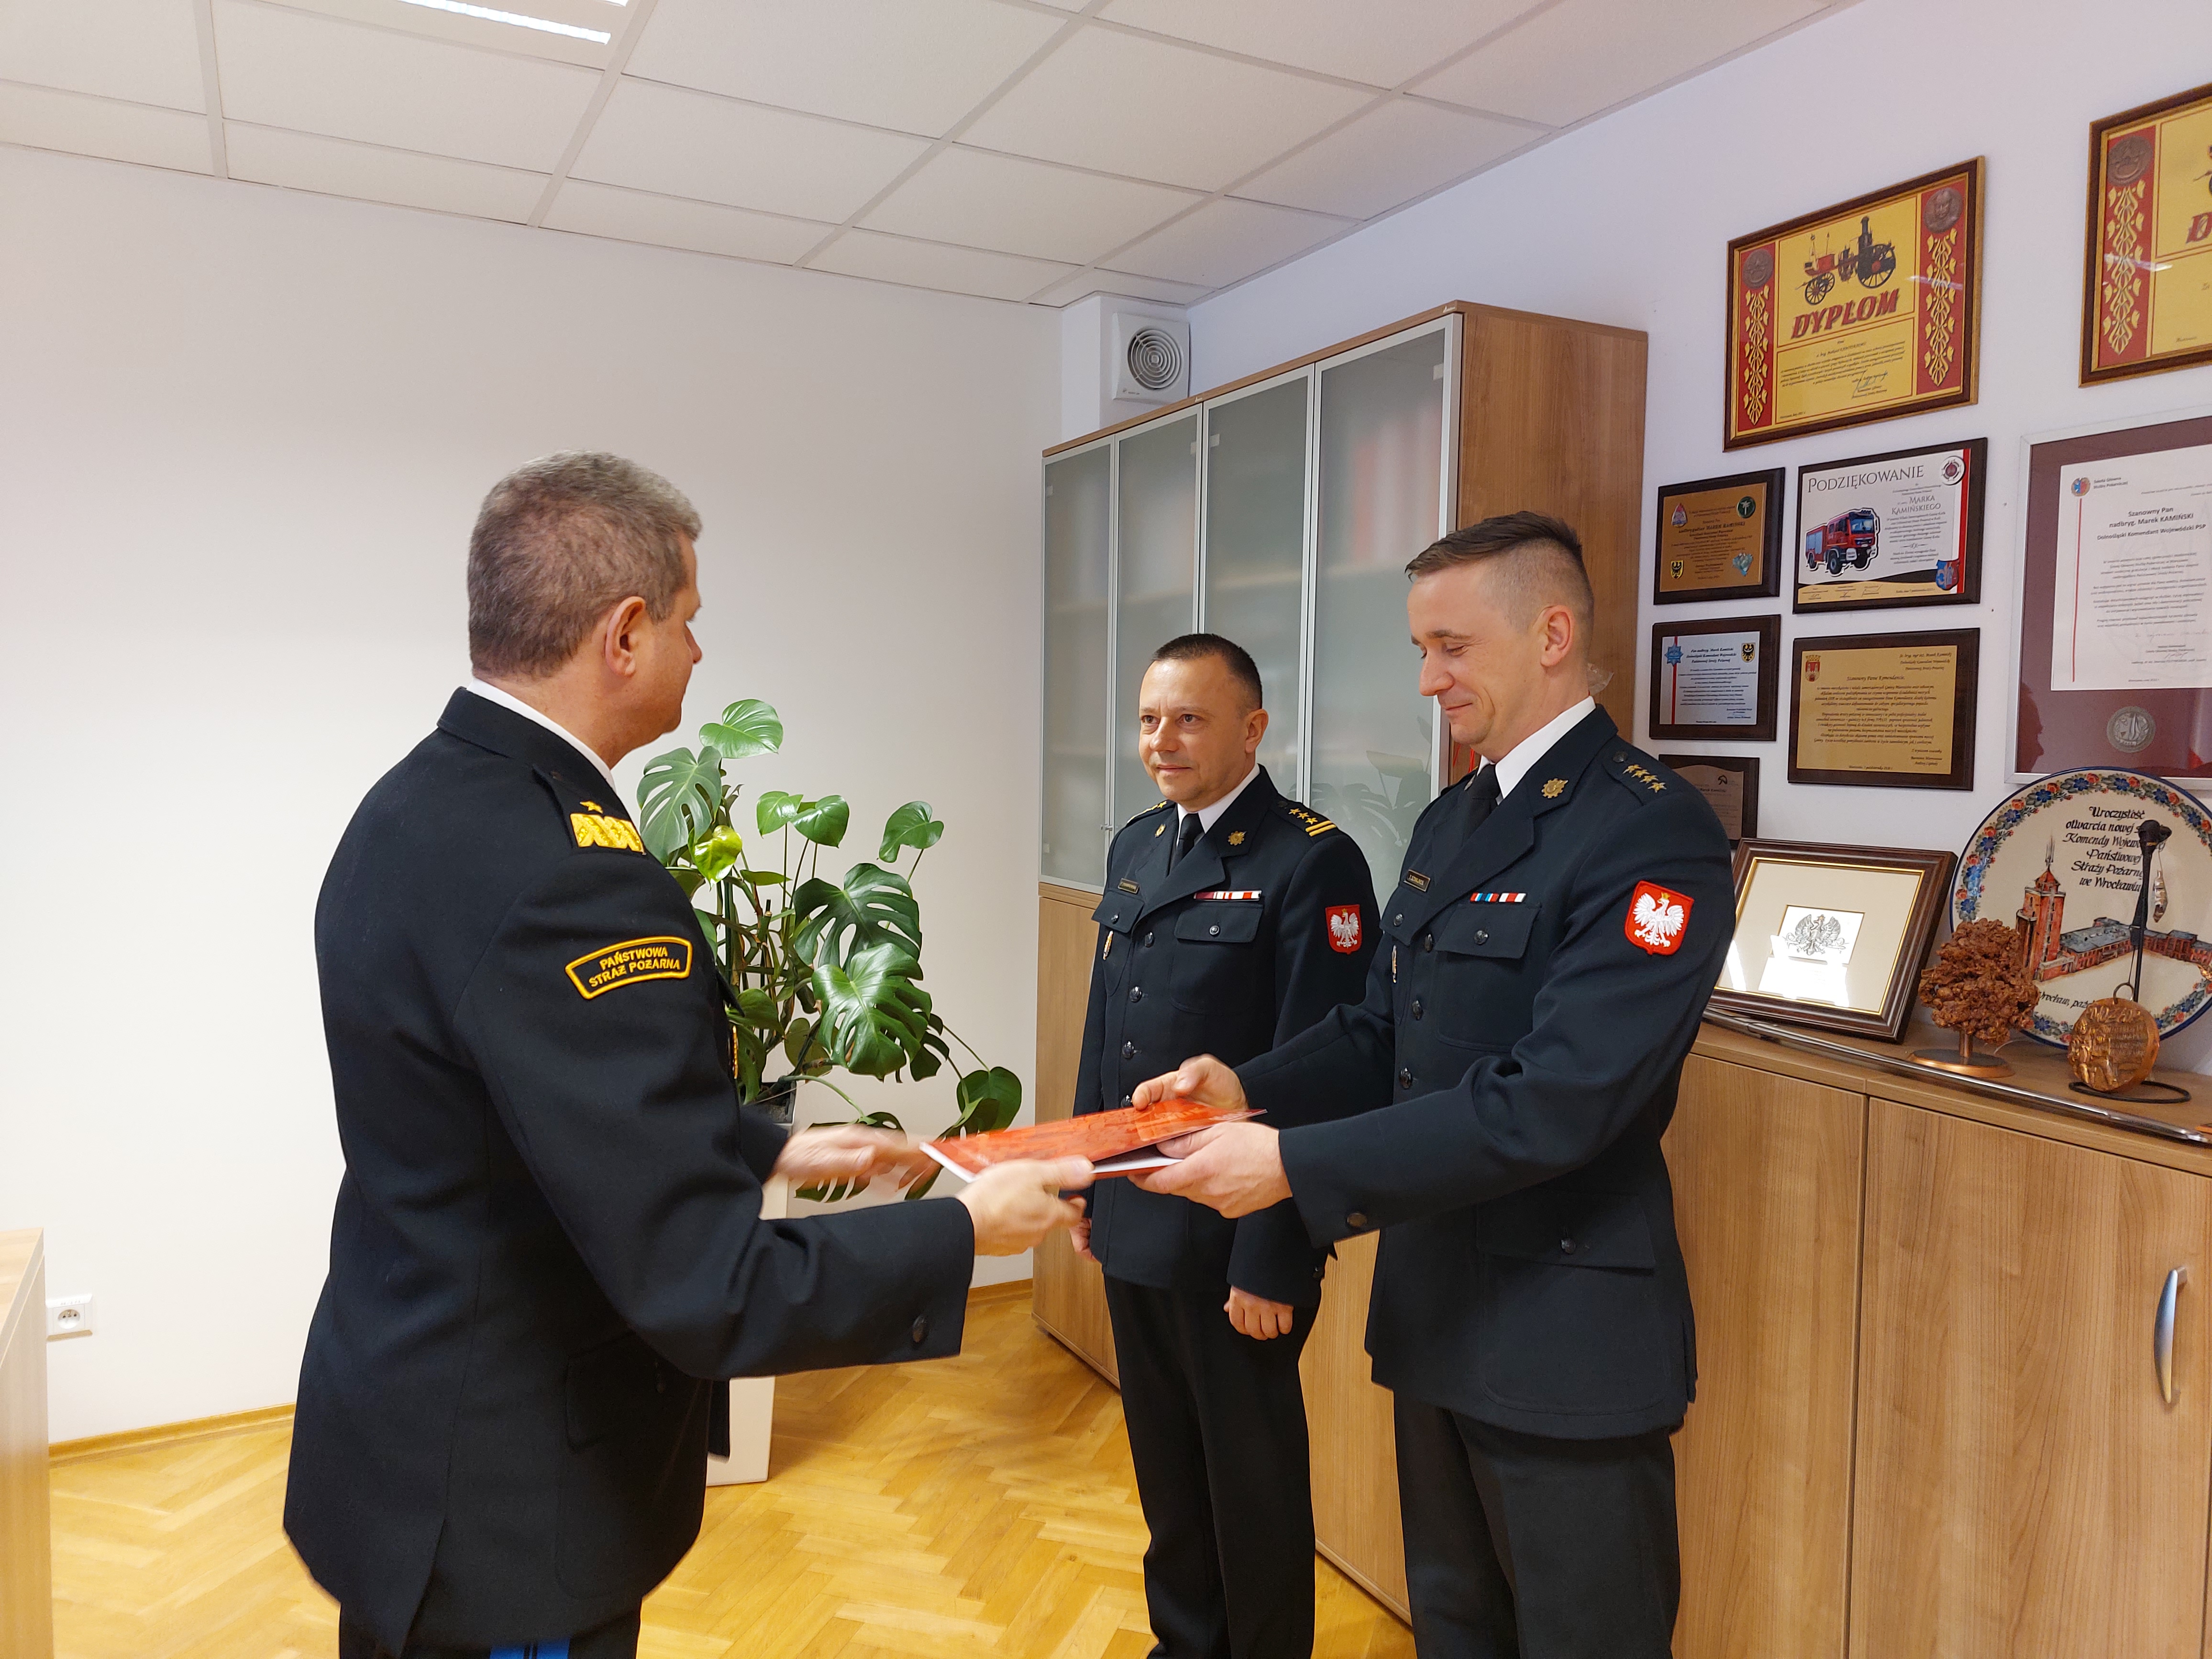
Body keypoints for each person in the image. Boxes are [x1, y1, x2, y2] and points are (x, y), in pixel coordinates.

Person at [285, 452, 1090, 1659]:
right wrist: (968, 1232)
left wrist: (764, 1146)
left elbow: (521, 1107)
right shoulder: (569, 879)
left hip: (411, 1427)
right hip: (511, 1506)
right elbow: (700, 1284)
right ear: (623, 634)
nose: (699, 652)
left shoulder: (419, 803)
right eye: (687, 621)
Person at [1129, 513, 1733, 1659]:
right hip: (1437, 1311)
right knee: (1454, 1631)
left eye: (1450, 648)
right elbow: (1382, 1030)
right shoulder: (1455, 818)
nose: (1426, 679)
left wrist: (1289, 1166)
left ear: (1550, 635)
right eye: (1420, 649)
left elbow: (1556, 1100)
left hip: (1562, 1337)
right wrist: (1242, 1087)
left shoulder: (1649, 830)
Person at [1074, 634, 1378, 1659]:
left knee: (1250, 1484)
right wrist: (1085, 1179)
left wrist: (1274, 1255)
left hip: (1236, 1233)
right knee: (1165, 1469)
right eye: (1149, 720)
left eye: (1190, 719)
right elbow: (1106, 1034)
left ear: (1252, 729)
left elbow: (1326, 1069)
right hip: (1138, 1212)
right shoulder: (1135, 845)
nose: (1162, 741)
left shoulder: (1312, 860)